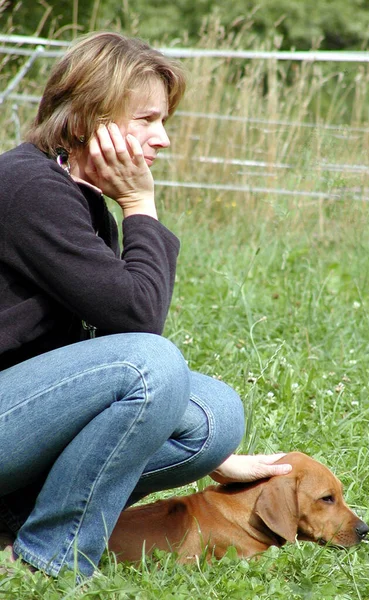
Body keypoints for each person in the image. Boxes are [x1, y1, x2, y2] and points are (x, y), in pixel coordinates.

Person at [0, 32, 291, 578]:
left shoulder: (76, 197)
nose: (161, 139)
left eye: (164, 121)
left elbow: (93, 343)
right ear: (88, 119)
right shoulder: (29, 188)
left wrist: (214, 457)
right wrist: (140, 204)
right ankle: (45, 560)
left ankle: (13, 521)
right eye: (146, 120)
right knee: (150, 365)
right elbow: (137, 324)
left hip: (16, 413)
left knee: (213, 418)